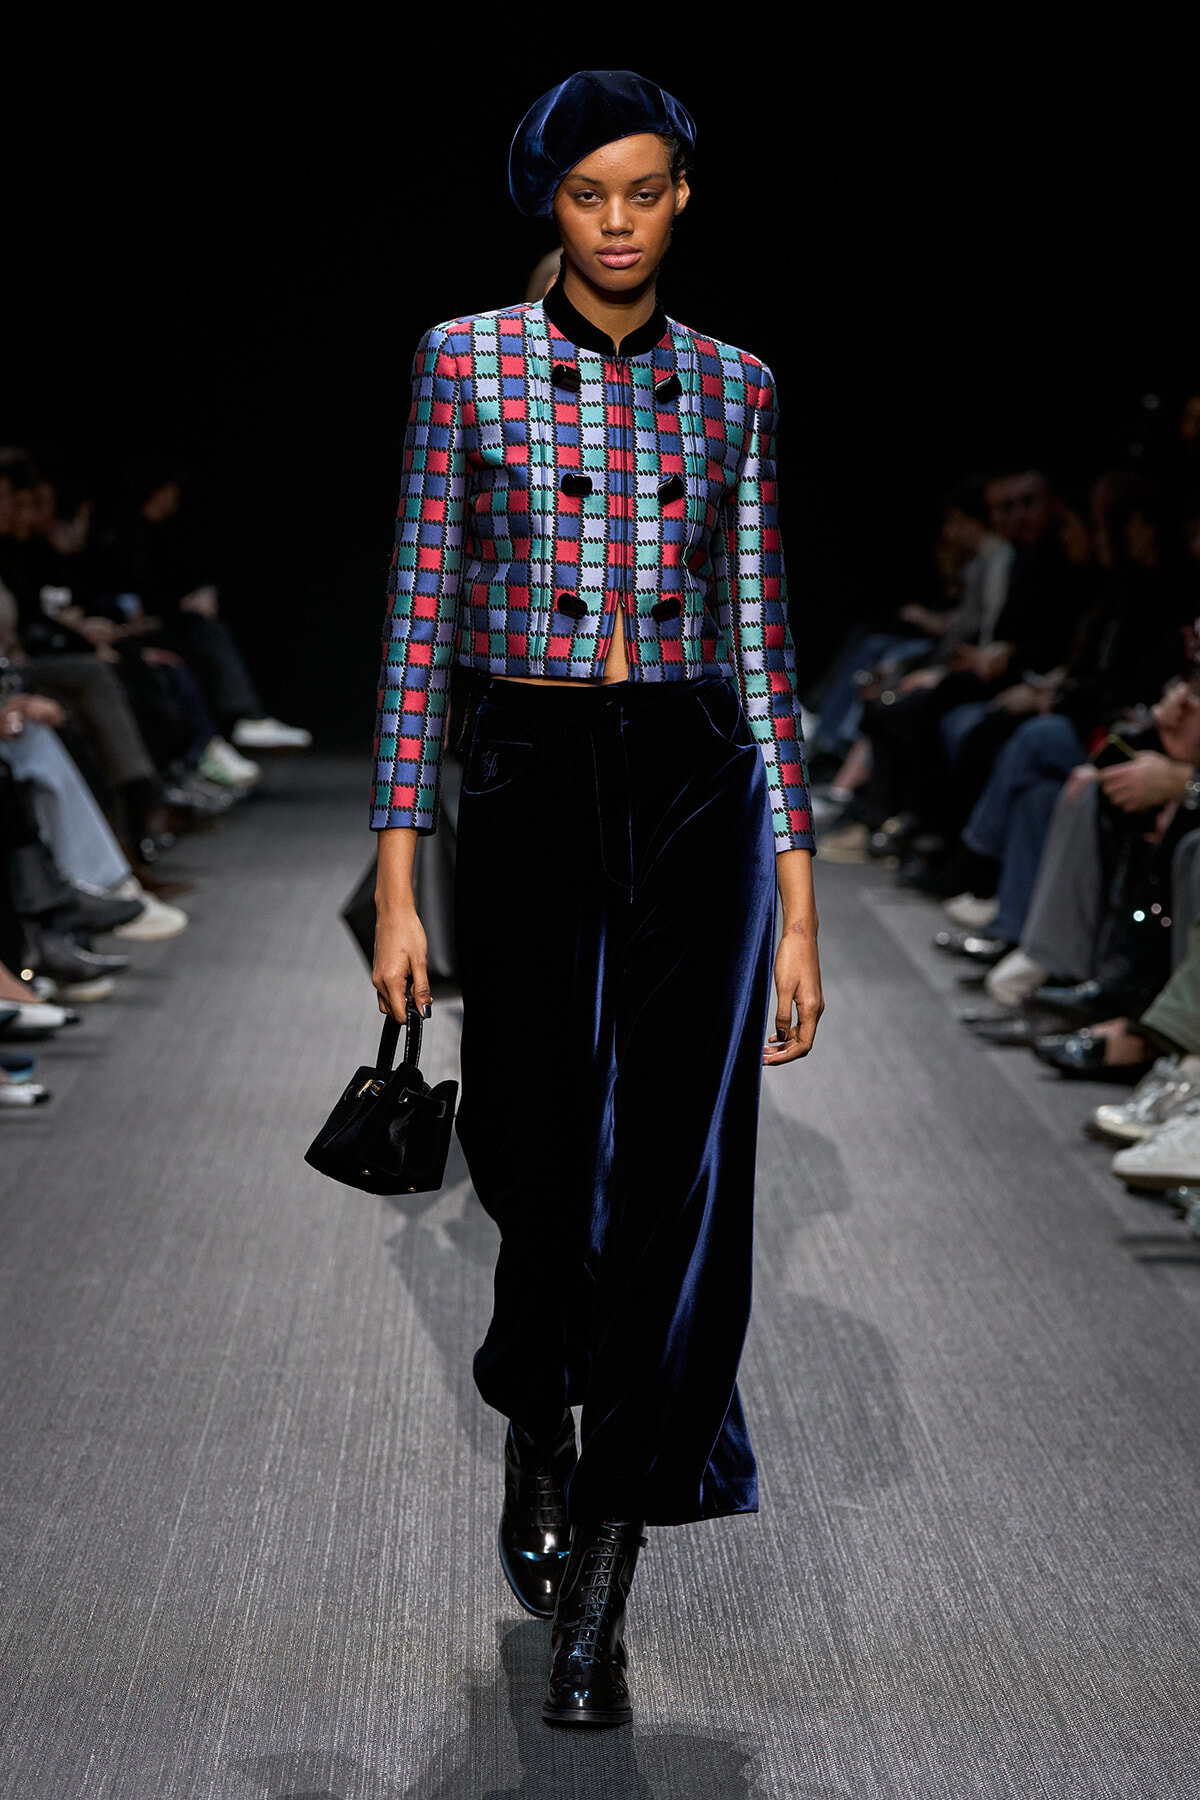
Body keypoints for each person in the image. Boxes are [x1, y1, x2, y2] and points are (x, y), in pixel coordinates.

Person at [369, 69, 822, 1729]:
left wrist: (801, 892)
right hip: (532, 775)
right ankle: (536, 1421)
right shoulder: (465, 360)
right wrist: (400, 882)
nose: (617, 221)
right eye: (586, 194)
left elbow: (766, 640)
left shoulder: (738, 386)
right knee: (542, 1152)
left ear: (685, 194)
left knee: (675, 1186)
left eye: (644, 190)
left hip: (700, 774)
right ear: (545, 205)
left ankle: (609, 1575)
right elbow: (419, 623)